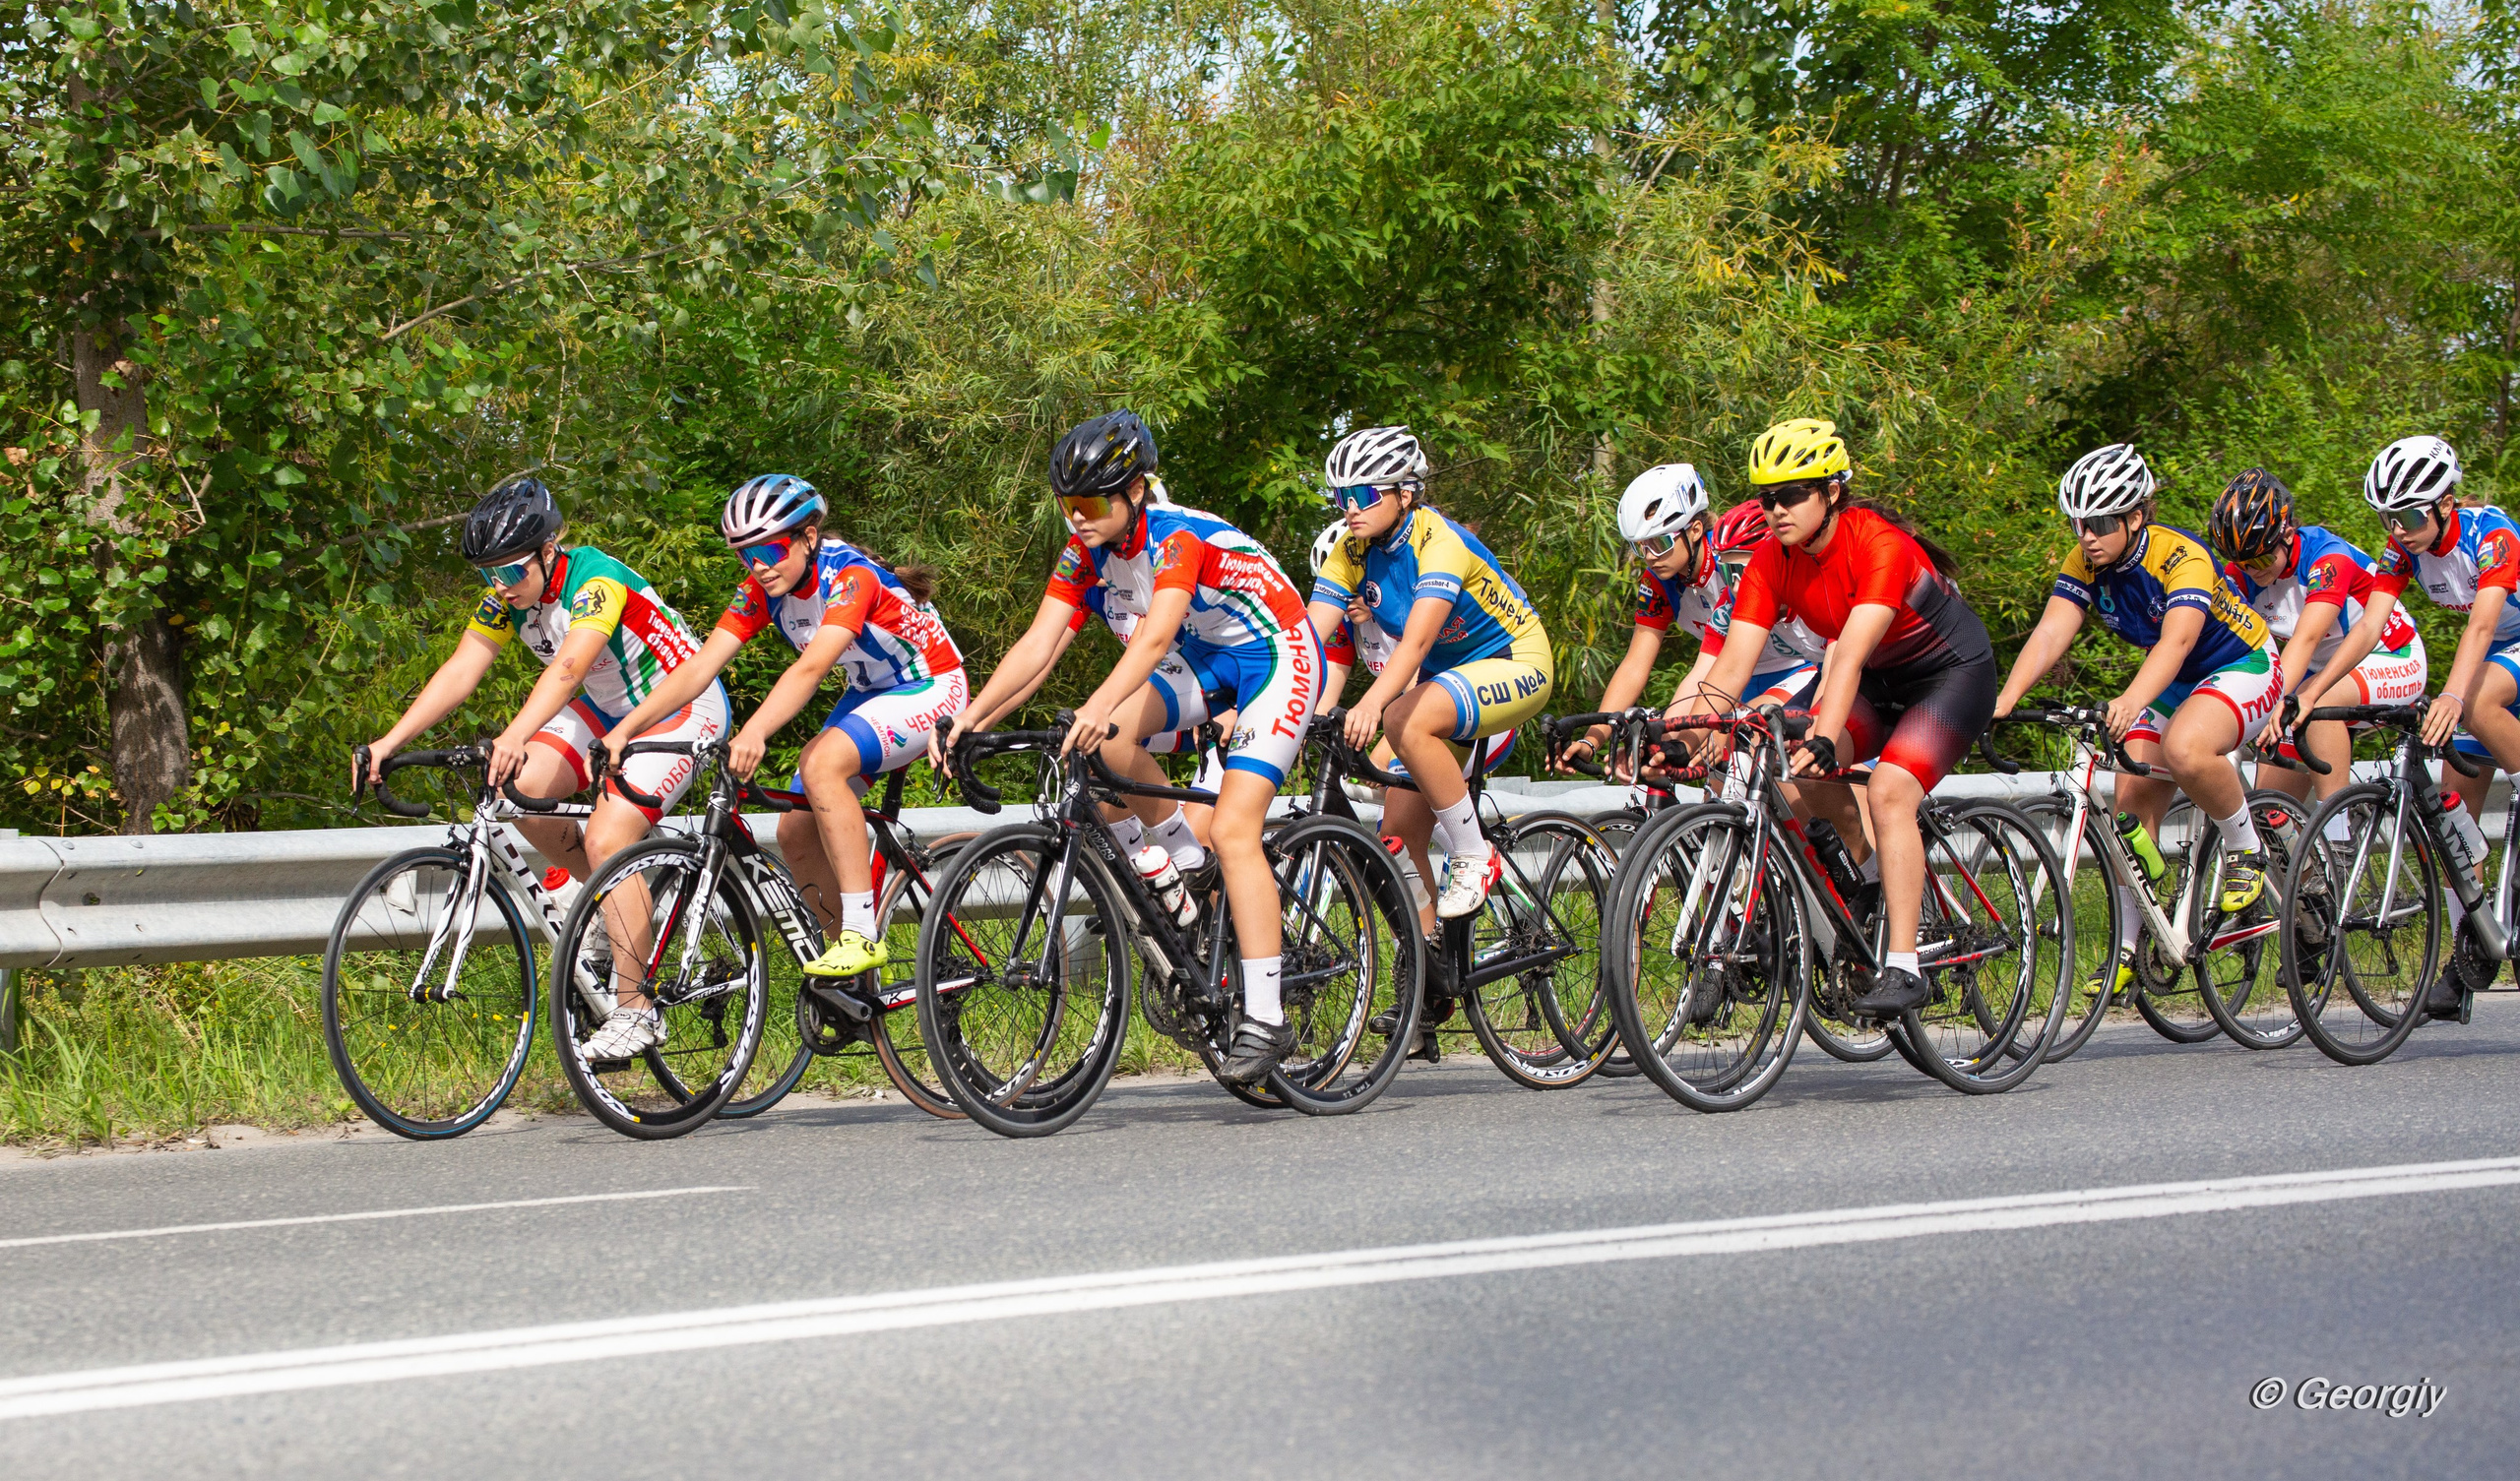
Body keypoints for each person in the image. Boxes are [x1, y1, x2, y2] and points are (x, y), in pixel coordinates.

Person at [937, 410, 1322, 1085]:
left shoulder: (1174, 536)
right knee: (1104, 745)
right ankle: (1181, 863)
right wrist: (972, 718)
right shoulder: (1086, 552)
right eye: (1067, 506)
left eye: (1090, 504)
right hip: (1206, 657)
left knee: (1235, 827)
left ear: (1136, 490)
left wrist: (1099, 703)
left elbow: (1151, 639)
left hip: (1276, 654)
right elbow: (1040, 645)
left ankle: (1267, 1015)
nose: (1077, 519)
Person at [357, 477, 728, 1059]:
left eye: (510, 573)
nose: (500, 587)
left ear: (549, 552)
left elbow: (569, 669)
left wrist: (514, 733)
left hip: (682, 704)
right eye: (488, 576)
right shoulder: (510, 597)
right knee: (520, 789)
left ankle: (637, 1012)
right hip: (606, 709)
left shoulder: (594, 580)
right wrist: (388, 740)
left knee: (607, 838)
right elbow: (462, 669)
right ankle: (617, 905)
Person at [598, 474, 966, 982]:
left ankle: (861, 933)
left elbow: (811, 669)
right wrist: (627, 729)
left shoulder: (851, 576)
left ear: (808, 537)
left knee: (822, 766)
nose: (760, 567)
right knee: (794, 828)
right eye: (746, 556)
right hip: (871, 691)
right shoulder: (764, 588)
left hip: (931, 684)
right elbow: (699, 668)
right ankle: (854, 980)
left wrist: (754, 731)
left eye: (770, 550)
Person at [1701, 418, 1999, 1018]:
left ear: (1831, 492)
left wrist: (1828, 736)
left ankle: (1906, 966)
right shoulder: (1771, 559)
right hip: (1880, 683)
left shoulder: (1877, 542)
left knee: (1889, 791)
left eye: (1789, 494)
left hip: (1949, 677)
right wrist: (1692, 731)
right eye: (1766, 497)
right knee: (1783, 769)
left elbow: (1850, 655)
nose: (1776, 509)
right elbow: (1732, 666)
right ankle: (1867, 880)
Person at [1994, 442, 2286, 1003]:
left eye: (2100, 522)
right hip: (2178, 682)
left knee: (2185, 749)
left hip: (2242, 663)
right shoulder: (2084, 563)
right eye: (2079, 522)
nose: (2086, 535)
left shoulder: (2181, 558)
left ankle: (2245, 850)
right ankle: (2134, 947)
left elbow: (2176, 642)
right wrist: (2004, 699)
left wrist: (2129, 700)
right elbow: (2052, 633)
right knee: (2130, 813)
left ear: (2134, 516)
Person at [2296, 435, 2515, 1016]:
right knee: (2456, 823)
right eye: (2389, 518)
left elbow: (2482, 630)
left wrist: (2450, 693)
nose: (2399, 529)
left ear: (2446, 503)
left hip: (2505, 648)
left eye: (2411, 515)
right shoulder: (2403, 551)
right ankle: (2469, 957)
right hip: (2499, 654)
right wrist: (2313, 691)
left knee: (2476, 701)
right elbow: (2368, 630)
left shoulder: (2491, 537)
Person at [1307, 425, 1554, 925]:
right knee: (1396, 840)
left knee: (1401, 719)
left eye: (1363, 494)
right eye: (1342, 496)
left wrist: (1372, 704)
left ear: (1406, 493)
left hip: (1514, 661)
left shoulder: (1439, 541)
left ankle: (1474, 855)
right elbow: (1305, 639)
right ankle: (1426, 965)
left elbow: (1417, 644)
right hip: (1447, 683)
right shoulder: (1350, 552)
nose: (1350, 508)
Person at [1310, 518, 1516, 935]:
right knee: (1396, 836)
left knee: (1389, 767)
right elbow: (1323, 690)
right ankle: (1427, 955)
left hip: (1466, 715)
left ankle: (1472, 850)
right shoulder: (1349, 626)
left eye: (1359, 587)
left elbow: (1413, 688)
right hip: (1411, 724)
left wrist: (1369, 724)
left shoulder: (1409, 607)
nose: (1350, 601)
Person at [1560, 465, 1826, 777]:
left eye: (1659, 543)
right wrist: (1594, 739)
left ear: (1695, 530)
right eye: (1640, 546)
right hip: (1726, 673)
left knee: (1741, 737)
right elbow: (1638, 665)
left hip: (1795, 668)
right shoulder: (1660, 579)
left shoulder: (1735, 559)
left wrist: (1715, 727)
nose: (1648, 556)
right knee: (1664, 747)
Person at [2206, 466, 2426, 802]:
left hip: (2391, 656)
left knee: (2314, 700)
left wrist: (2273, 703)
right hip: (2320, 671)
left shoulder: (2326, 556)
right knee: (2271, 807)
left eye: (2263, 556)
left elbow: (2306, 639)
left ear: (2288, 533)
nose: (2253, 570)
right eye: (2242, 562)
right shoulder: (2245, 573)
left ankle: (2339, 837)